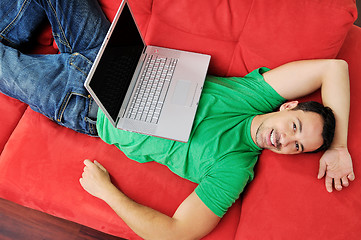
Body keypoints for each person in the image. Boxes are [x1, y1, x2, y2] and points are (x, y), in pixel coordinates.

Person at [0, 0, 355, 239]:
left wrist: (106, 192)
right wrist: (338, 146)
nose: (284, 141)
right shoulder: (255, 95)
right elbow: (333, 68)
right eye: (294, 128)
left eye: (296, 147)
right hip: (116, 55)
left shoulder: (234, 168)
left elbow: (176, 233)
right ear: (288, 107)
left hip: (89, 105)